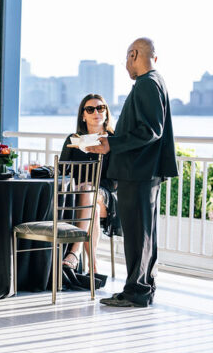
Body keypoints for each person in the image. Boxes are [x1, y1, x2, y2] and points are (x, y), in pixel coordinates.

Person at [87, 38, 177, 308]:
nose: (126, 65)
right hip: (144, 171)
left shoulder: (147, 83)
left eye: (127, 58)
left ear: (134, 54)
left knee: (138, 234)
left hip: (137, 171)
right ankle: (143, 287)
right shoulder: (156, 81)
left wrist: (110, 143)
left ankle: (136, 291)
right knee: (145, 233)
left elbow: (151, 130)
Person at [59, 93, 117, 273]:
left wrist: (86, 187)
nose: (96, 112)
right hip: (79, 196)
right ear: (83, 115)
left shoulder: (114, 140)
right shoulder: (73, 140)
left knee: (89, 191)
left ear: (106, 113)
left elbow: (116, 179)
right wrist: (75, 186)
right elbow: (62, 172)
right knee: (91, 203)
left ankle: (74, 252)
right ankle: (93, 266)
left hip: (106, 194)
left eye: (101, 108)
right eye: (90, 109)